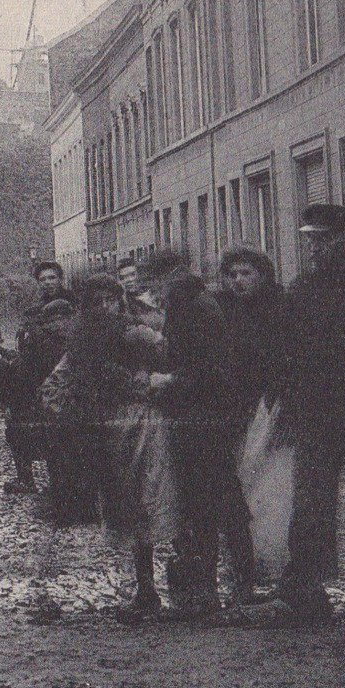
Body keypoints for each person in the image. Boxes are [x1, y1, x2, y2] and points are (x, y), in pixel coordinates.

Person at [251, 204, 345, 629]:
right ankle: (306, 593)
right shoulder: (302, 289)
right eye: (309, 240)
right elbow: (284, 349)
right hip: (314, 415)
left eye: (320, 240)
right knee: (311, 505)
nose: (313, 248)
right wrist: (283, 397)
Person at [41, 271, 177, 625]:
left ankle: (185, 585)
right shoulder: (83, 342)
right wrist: (71, 419)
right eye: (97, 302)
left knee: (154, 499)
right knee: (127, 505)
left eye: (111, 300)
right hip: (109, 431)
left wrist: (149, 384)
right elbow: (57, 384)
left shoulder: (140, 331)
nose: (106, 308)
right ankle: (145, 588)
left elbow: (174, 362)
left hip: (145, 427)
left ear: (120, 300)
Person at [137, 249, 249, 619]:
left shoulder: (192, 307)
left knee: (207, 505)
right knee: (221, 502)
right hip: (207, 416)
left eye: (154, 285)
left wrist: (168, 381)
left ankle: (210, 595)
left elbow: (207, 368)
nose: (153, 295)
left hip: (202, 418)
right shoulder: (194, 302)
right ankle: (233, 589)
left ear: (170, 276)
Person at [217, 246, 294, 599]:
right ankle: (244, 572)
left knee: (271, 489)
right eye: (232, 274)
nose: (238, 280)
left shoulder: (279, 308)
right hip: (234, 408)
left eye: (246, 273)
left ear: (262, 275)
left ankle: (278, 569)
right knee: (239, 490)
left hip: (269, 406)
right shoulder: (223, 310)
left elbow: (285, 358)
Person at [0, 261, 76, 498]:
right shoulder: (33, 313)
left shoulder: (75, 304)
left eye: (52, 278)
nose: (48, 283)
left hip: (71, 376)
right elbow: (27, 349)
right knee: (22, 427)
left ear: (60, 279)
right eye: (43, 280)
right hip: (41, 377)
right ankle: (28, 479)